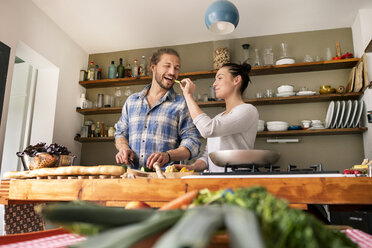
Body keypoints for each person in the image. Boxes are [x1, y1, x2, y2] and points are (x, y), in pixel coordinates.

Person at [114, 48, 201, 169]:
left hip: (165, 179)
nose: (172, 72)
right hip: (132, 177)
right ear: (153, 67)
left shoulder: (182, 103)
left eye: (176, 68)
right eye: (167, 66)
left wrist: (168, 155)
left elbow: (193, 143)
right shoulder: (132, 101)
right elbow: (121, 133)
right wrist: (124, 148)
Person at [176, 62, 259, 172]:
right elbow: (207, 156)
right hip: (217, 181)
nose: (214, 84)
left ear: (236, 80)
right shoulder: (218, 118)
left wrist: (188, 95)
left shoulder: (248, 110)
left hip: (237, 180)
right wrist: (192, 167)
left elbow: (207, 129)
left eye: (220, 78)